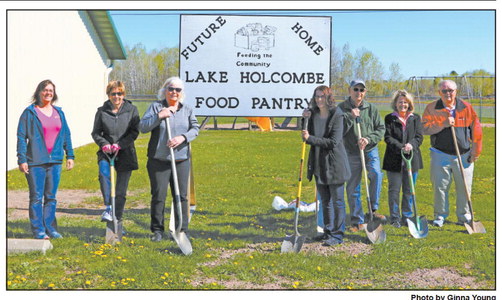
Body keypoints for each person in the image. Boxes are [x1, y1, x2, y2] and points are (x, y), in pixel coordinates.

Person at [139, 76, 199, 242]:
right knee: (159, 195)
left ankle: (182, 229)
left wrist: (183, 138)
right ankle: (157, 230)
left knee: (181, 196)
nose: (174, 92)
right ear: (165, 90)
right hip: (159, 160)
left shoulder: (187, 109)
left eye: (178, 90)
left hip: (181, 160)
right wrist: (160, 116)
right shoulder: (156, 107)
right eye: (171, 89)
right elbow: (142, 127)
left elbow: (195, 128)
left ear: (181, 93)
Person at [16, 79, 75, 239]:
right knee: (36, 197)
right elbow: (22, 137)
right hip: (35, 161)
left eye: (51, 90)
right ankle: (38, 230)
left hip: (55, 161)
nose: (48, 93)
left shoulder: (59, 112)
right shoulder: (29, 113)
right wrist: (22, 159)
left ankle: (51, 228)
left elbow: (66, 135)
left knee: (51, 197)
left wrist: (69, 155)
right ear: (39, 92)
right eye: (45, 90)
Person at [422, 80, 482, 227]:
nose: (448, 93)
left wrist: (475, 151)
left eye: (451, 90)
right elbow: (424, 129)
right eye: (444, 91)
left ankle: (464, 216)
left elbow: (476, 131)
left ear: (456, 91)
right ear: (439, 93)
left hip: (464, 154)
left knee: (464, 186)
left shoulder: (466, 107)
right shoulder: (431, 108)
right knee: (440, 186)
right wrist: (442, 123)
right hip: (440, 154)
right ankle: (440, 216)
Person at [302, 85, 351, 246]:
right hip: (318, 163)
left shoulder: (337, 114)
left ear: (328, 98)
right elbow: (307, 134)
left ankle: (338, 234)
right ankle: (327, 231)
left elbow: (333, 142)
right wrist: (305, 119)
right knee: (325, 200)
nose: (319, 99)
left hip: (335, 163)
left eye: (322, 96)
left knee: (337, 201)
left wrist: (310, 139)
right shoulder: (313, 114)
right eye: (317, 96)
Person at [338, 80, 386, 232]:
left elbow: (380, 128)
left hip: (370, 150)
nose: (359, 93)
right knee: (353, 185)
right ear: (349, 90)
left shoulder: (370, 108)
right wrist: (350, 117)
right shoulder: (341, 109)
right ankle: (356, 219)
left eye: (362, 90)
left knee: (376, 174)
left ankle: (372, 210)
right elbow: (337, 130)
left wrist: (368, 139)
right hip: (351, 152)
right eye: (356, 89)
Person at [91, 81, 139, 224]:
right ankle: (108, 207)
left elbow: (134, 132)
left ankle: (117, 219)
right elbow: (96, 133)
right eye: (113, 94)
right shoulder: (101, 111)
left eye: (119, 93)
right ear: (109, 95)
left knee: (121, 191)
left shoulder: (132, 110)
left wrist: (120, 145)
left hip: (125, 152)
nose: (116, 96)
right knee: (104, 175)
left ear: (123, 94)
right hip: (106, 153)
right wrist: (104, 144)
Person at [382, 90, 423, 228]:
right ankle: (395, 217)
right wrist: (401, 147)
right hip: (394, 160)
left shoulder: (415, 118)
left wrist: (411, 145)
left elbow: (419, 137)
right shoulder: (390, 118)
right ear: (395, 103)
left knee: (409, 190)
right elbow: (388, 137)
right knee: (394, 190)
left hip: (412, 159)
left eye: (405, 102)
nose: (403, 104)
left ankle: (407, 216)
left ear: (409, 104)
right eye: (400, 102)